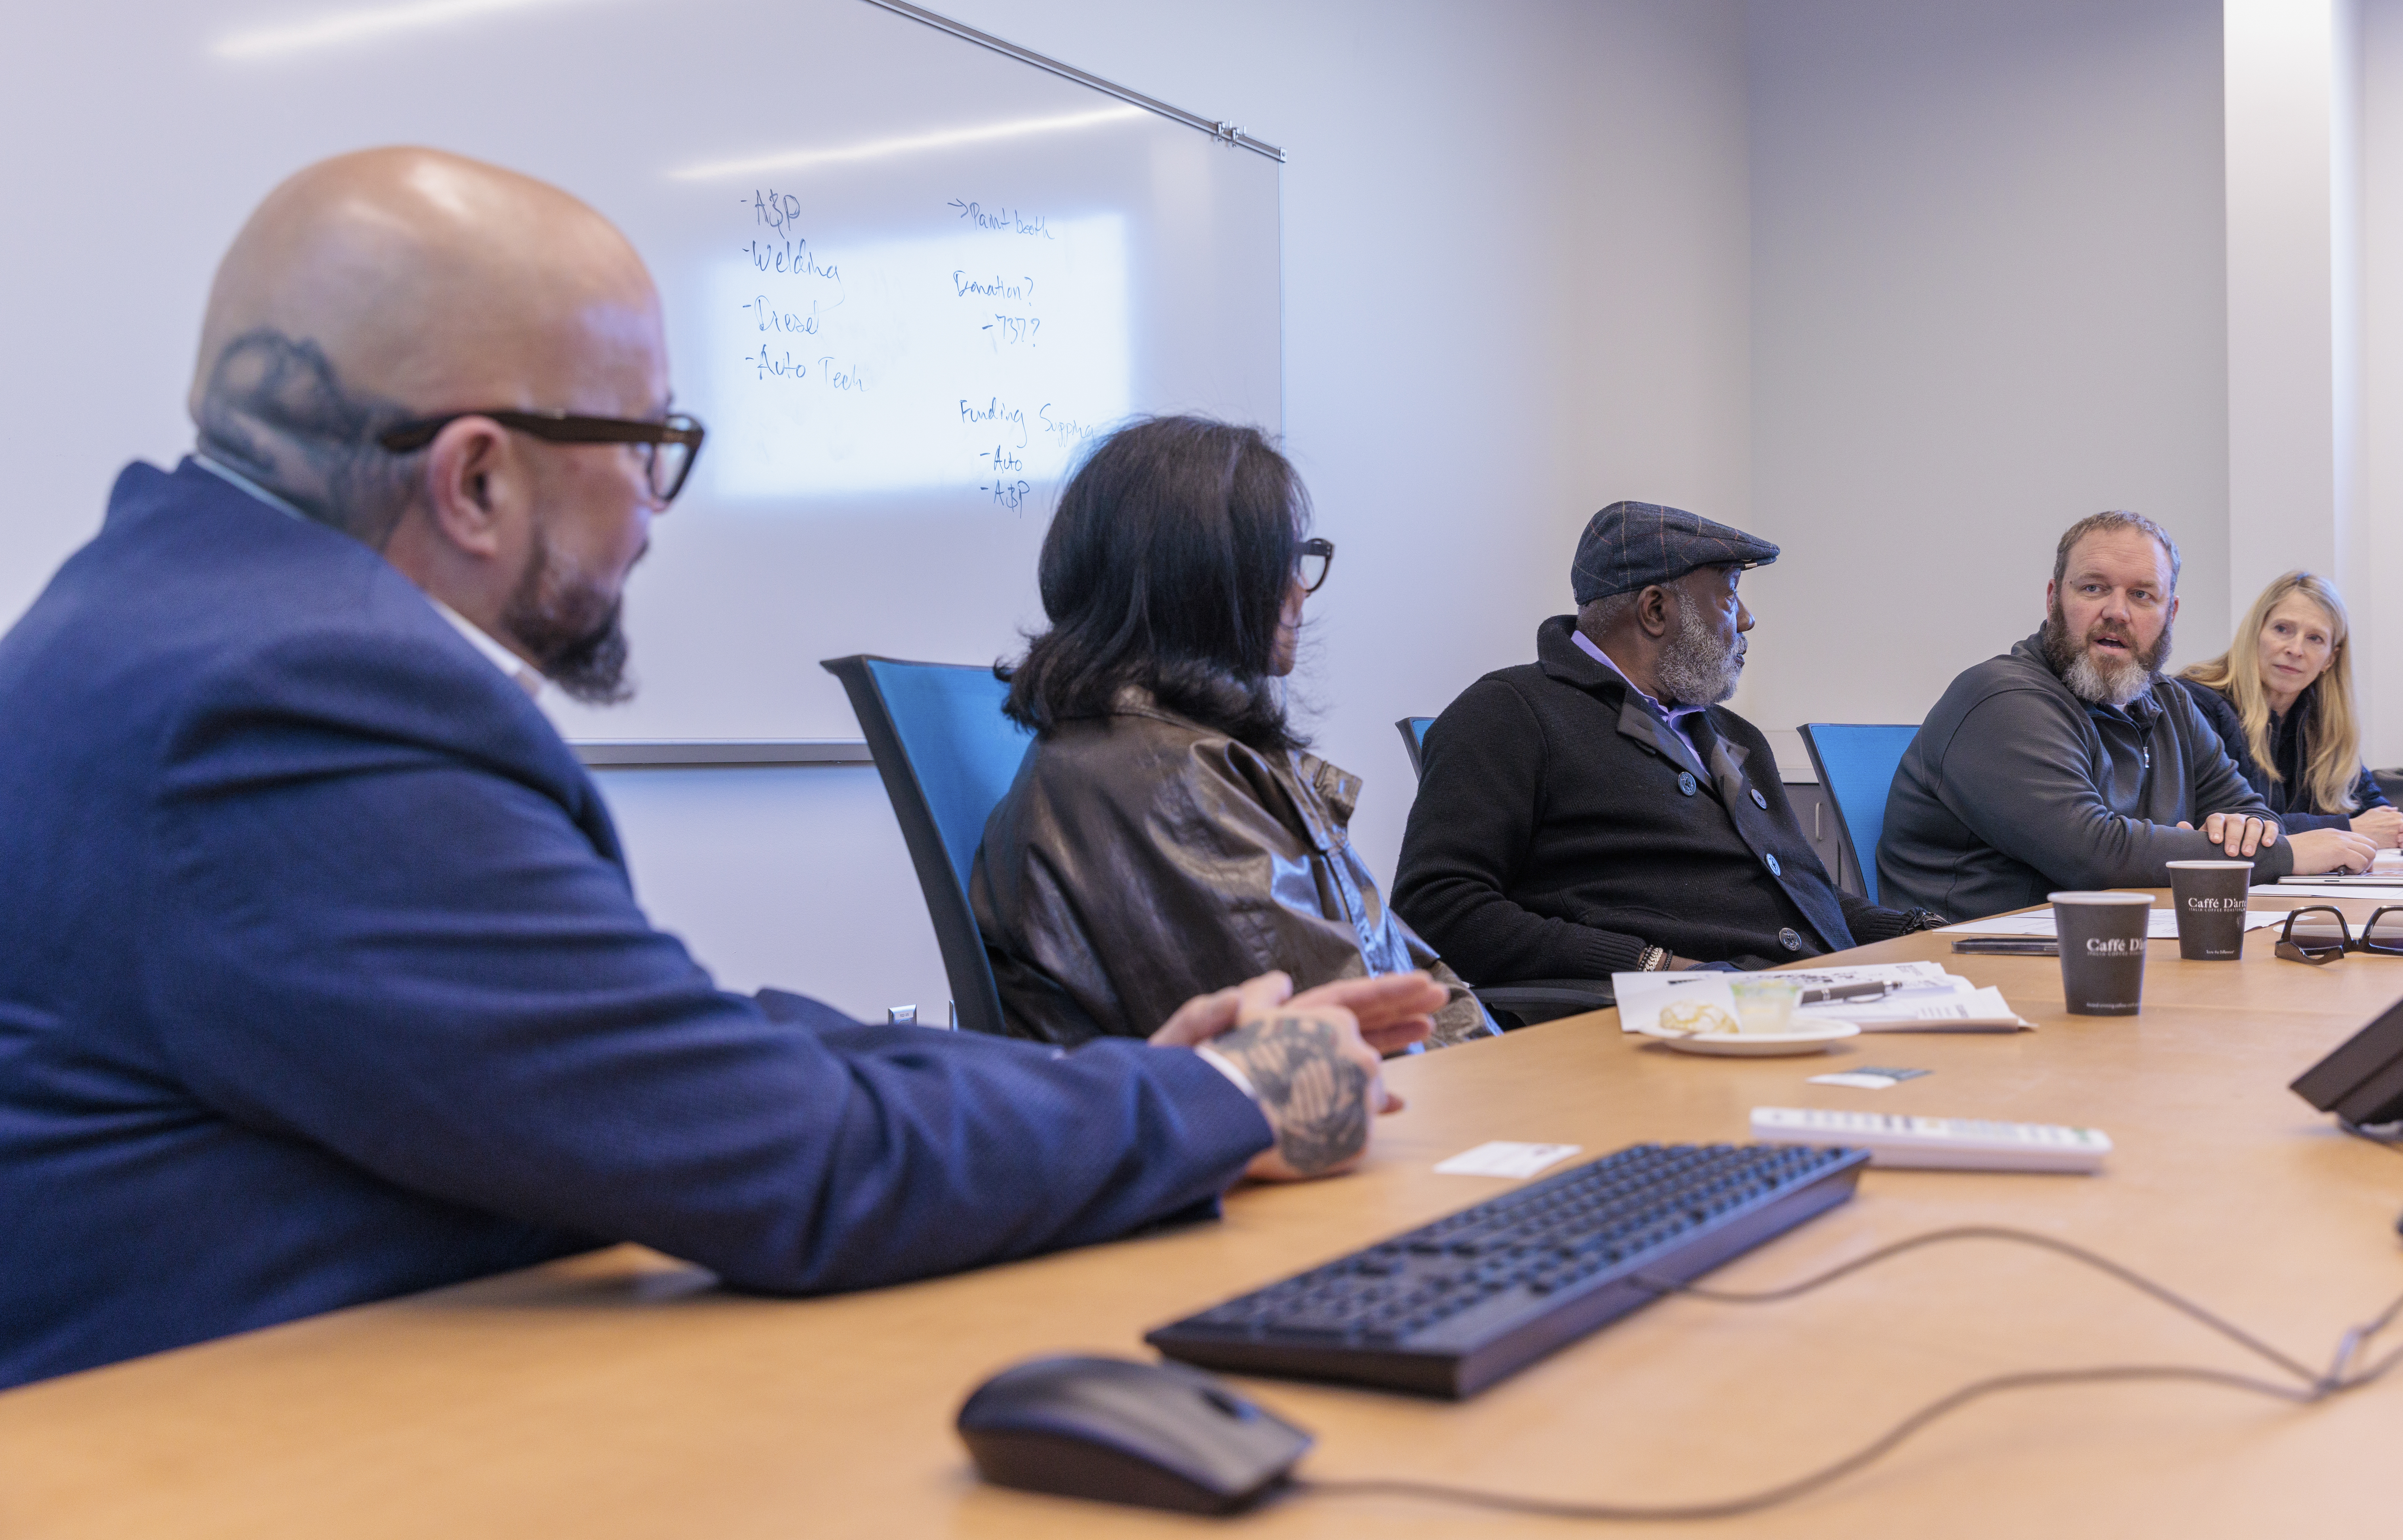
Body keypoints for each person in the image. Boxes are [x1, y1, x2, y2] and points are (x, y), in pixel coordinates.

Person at [0, 148, 1443, 1392]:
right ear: (479, 476)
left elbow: (677, 1042)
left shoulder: (178, 625)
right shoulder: (290, 707)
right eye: (648, 449)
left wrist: (1130, 1081)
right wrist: (1224, 1103)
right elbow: (784, 1161)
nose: (651, 516)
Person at [971, 416, 1492, 1047]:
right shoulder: (1168, 785)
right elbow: (1357, 1037)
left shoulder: (1183, 755)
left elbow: (1403, 972)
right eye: (1286, 561)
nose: (1301, 591)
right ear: (1207, 580)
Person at [1390, 502, 1945, 1024]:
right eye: (1729, 594)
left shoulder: (1730, 733)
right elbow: (1436, 906)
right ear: (1655, 609)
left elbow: (1800, 897)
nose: (1747, 619)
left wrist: (1920, 929)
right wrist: (1651, 965)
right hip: (1695, 1022)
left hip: (1820, 997)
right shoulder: (1510, 713)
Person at [1879, 510, 2378, 922]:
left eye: (2142, 595)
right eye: (2094, 589)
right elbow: (2097, 857)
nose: (2117, 612)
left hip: (2110, 951)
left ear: (2169, 613)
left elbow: (2253, 815)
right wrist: (2286, 854)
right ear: (2054, 600)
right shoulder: (2002, 700)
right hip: (1977, 968)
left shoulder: (2169, 703)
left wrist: (2229, 840)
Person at [2177, 571, 2403, 848]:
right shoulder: (2196, 703)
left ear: (2331, 658)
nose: (2295, 649)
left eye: (2315, 638)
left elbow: (2375, 815)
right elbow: (2224, 825)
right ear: (2255, 632)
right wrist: (2346, 828)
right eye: (2283, 629)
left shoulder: (2321, 721)